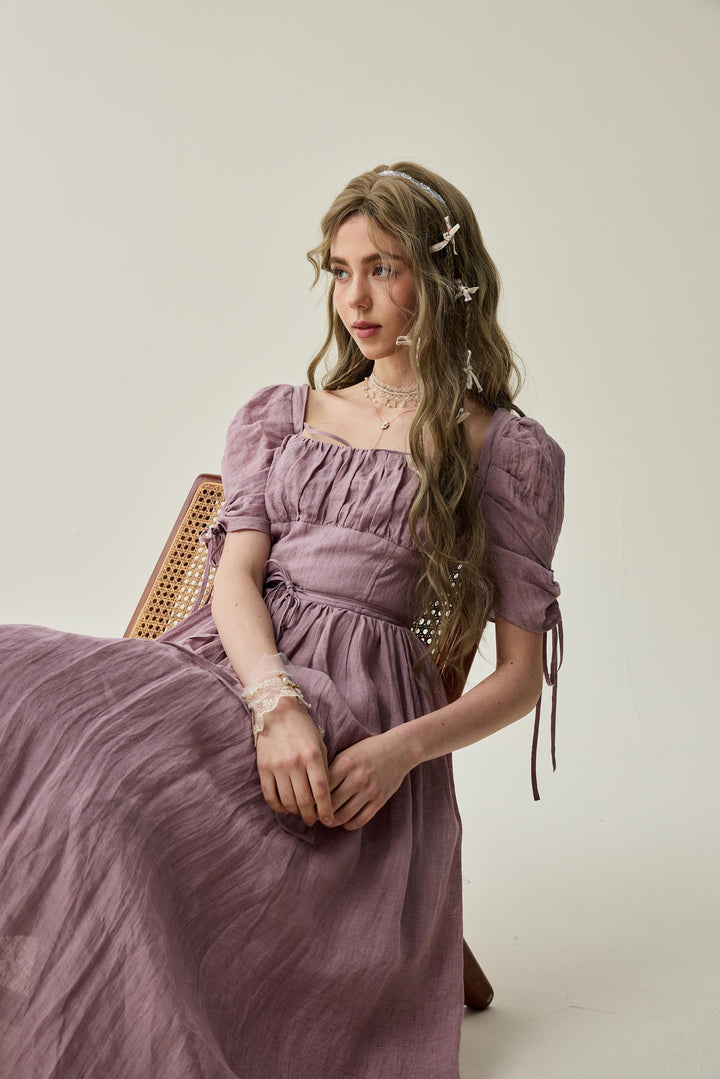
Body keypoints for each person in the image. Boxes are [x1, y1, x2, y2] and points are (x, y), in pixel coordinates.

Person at [0, 163, 564, 1078]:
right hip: (226, 667)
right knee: (16, 679)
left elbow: (518, 677)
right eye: (340, 271)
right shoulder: (282, 415)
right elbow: (234, 576)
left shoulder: (501, 447)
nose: (355, 298)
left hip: (359, 718)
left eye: (383, 268)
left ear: (444, 277)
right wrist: (274, 701)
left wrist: (398, 752)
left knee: (109, 801)